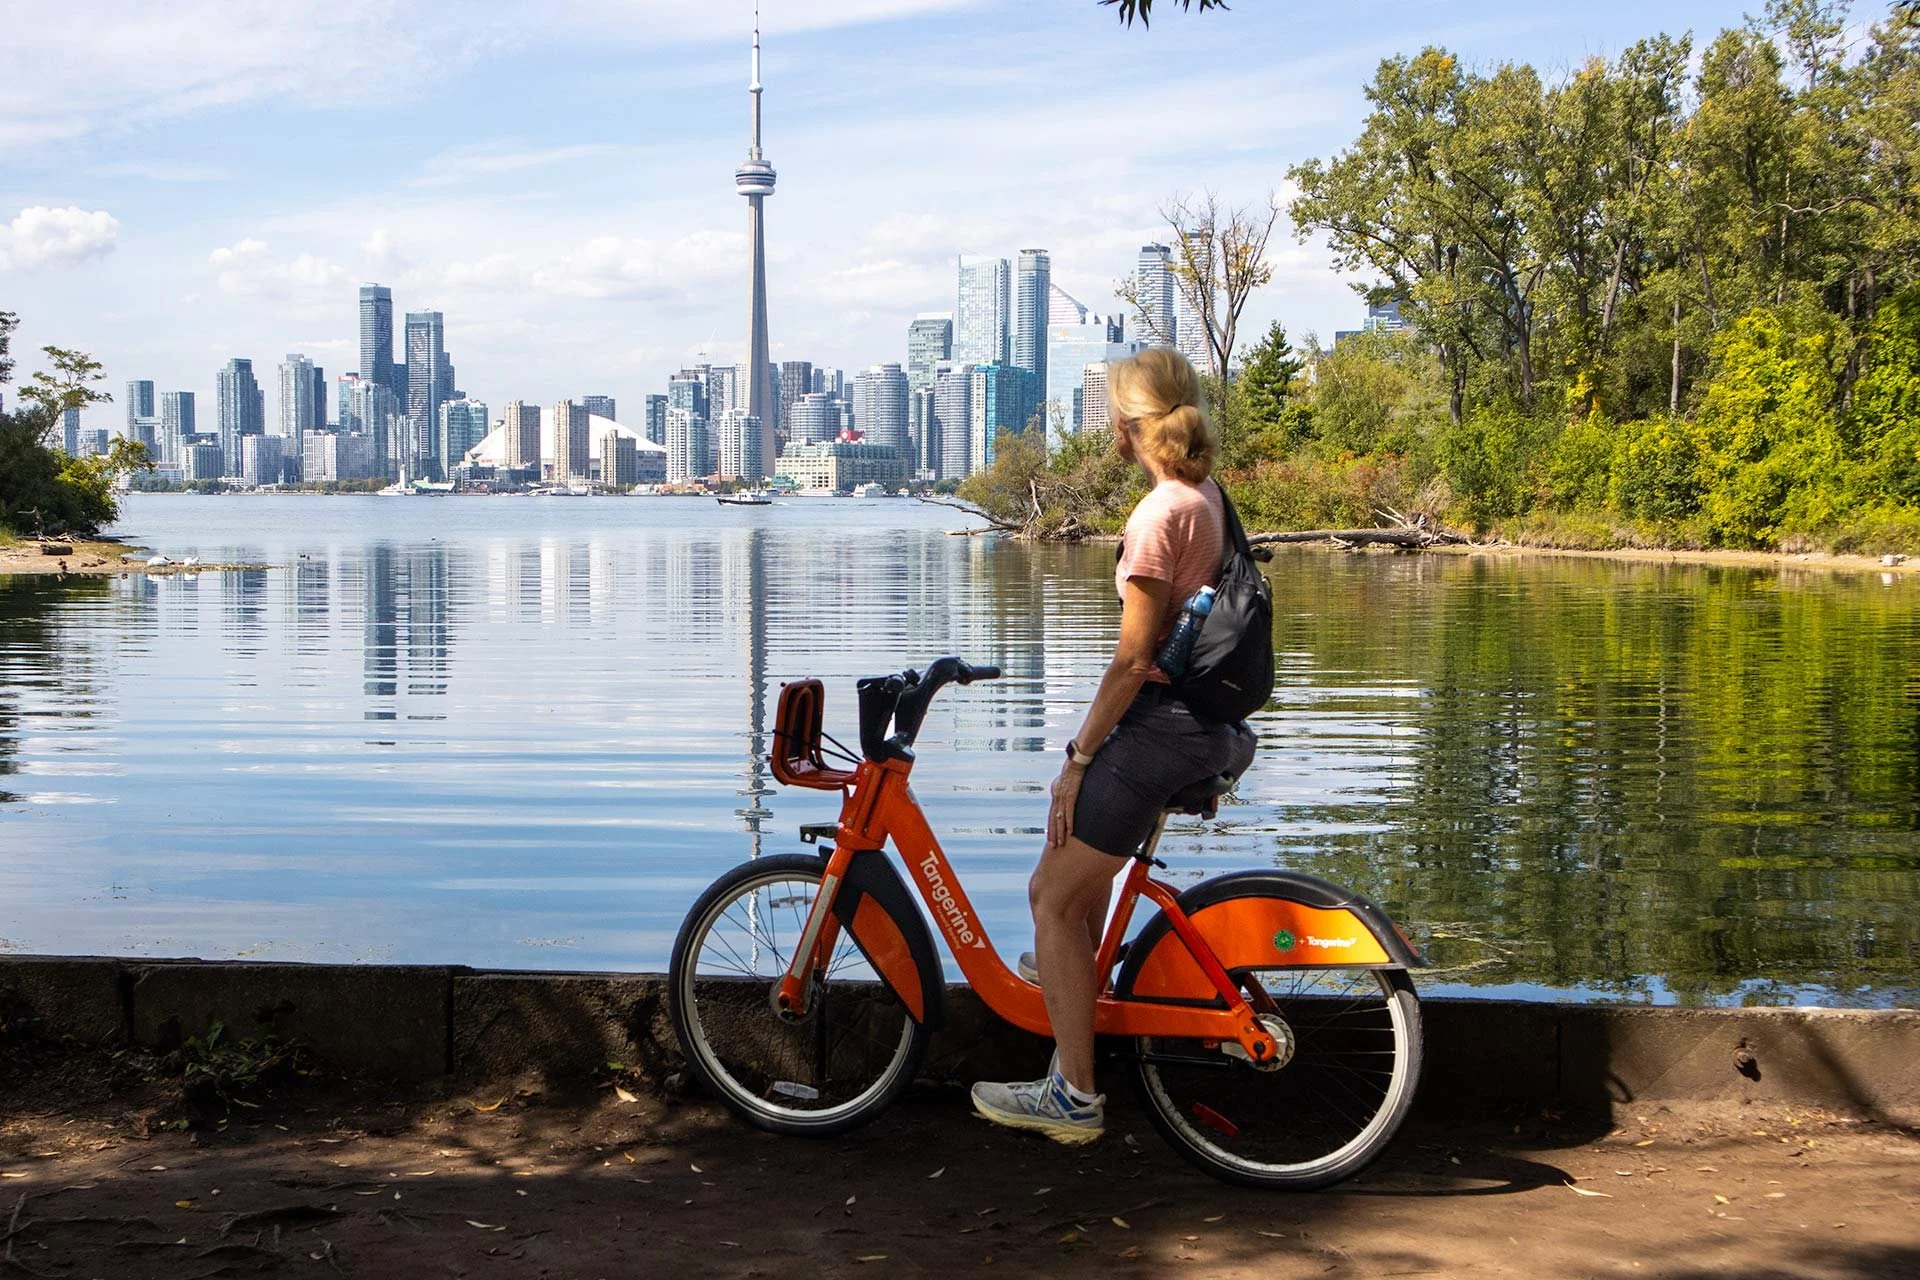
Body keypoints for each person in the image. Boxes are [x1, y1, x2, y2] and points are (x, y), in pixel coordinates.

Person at [970, 348, 1258, 1144]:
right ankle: (1074, 976)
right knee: (1074, 886)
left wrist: (1079, 757)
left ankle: (1073, 1096)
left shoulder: (1158, 516)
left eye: (1110, 414)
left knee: (1049, 897)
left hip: (1160, 731)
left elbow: (1134, 660)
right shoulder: (1209, 497)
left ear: (1129, 426)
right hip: (1204, 725)